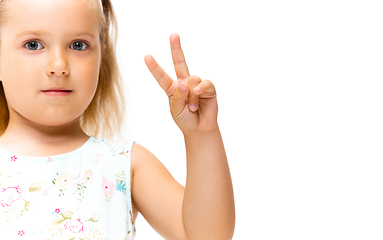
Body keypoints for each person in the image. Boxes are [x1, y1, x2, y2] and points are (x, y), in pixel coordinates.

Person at [0, 0, 235, 239]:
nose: (59, 66)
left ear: (101, 54)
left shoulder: (124, 165)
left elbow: (207, 236)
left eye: (78, 45)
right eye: (33, 44)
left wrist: (202, 134)